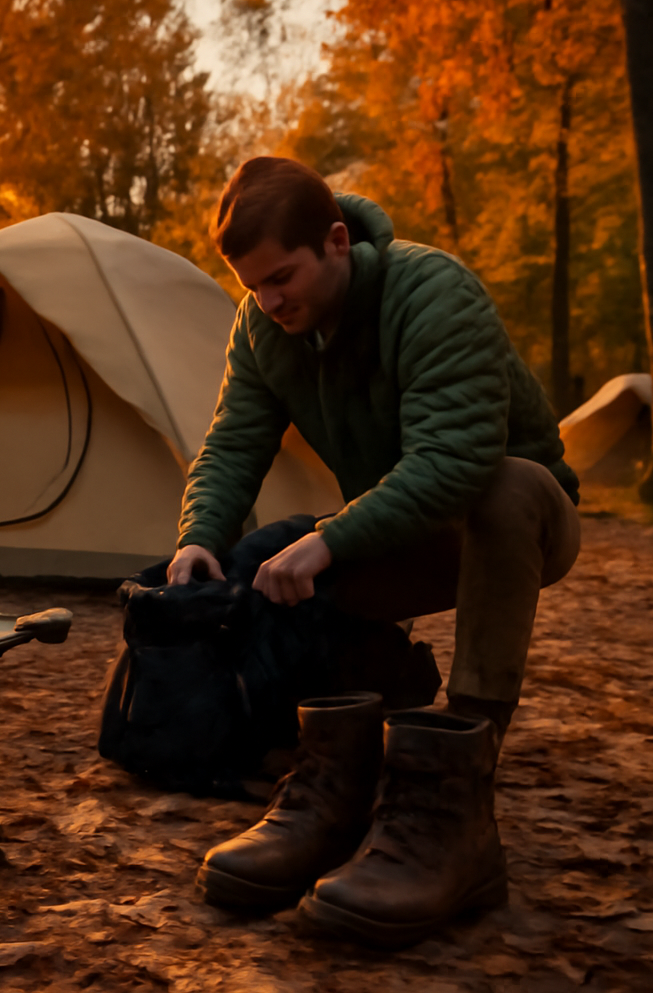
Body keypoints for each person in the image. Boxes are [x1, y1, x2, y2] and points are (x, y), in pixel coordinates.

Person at [174, 157, 580, 946]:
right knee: (279, 552)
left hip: (514, 520)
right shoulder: (264, 326)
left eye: (283, 277)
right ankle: (339, 786)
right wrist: (199, 538)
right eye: (254, 285)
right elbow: (233, 443)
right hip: (404, 522)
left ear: (335, 242)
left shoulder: (431, 291)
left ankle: (453, 801)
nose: (270, 300)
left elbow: (455, 460)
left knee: (503, 485)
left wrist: (334, 539)